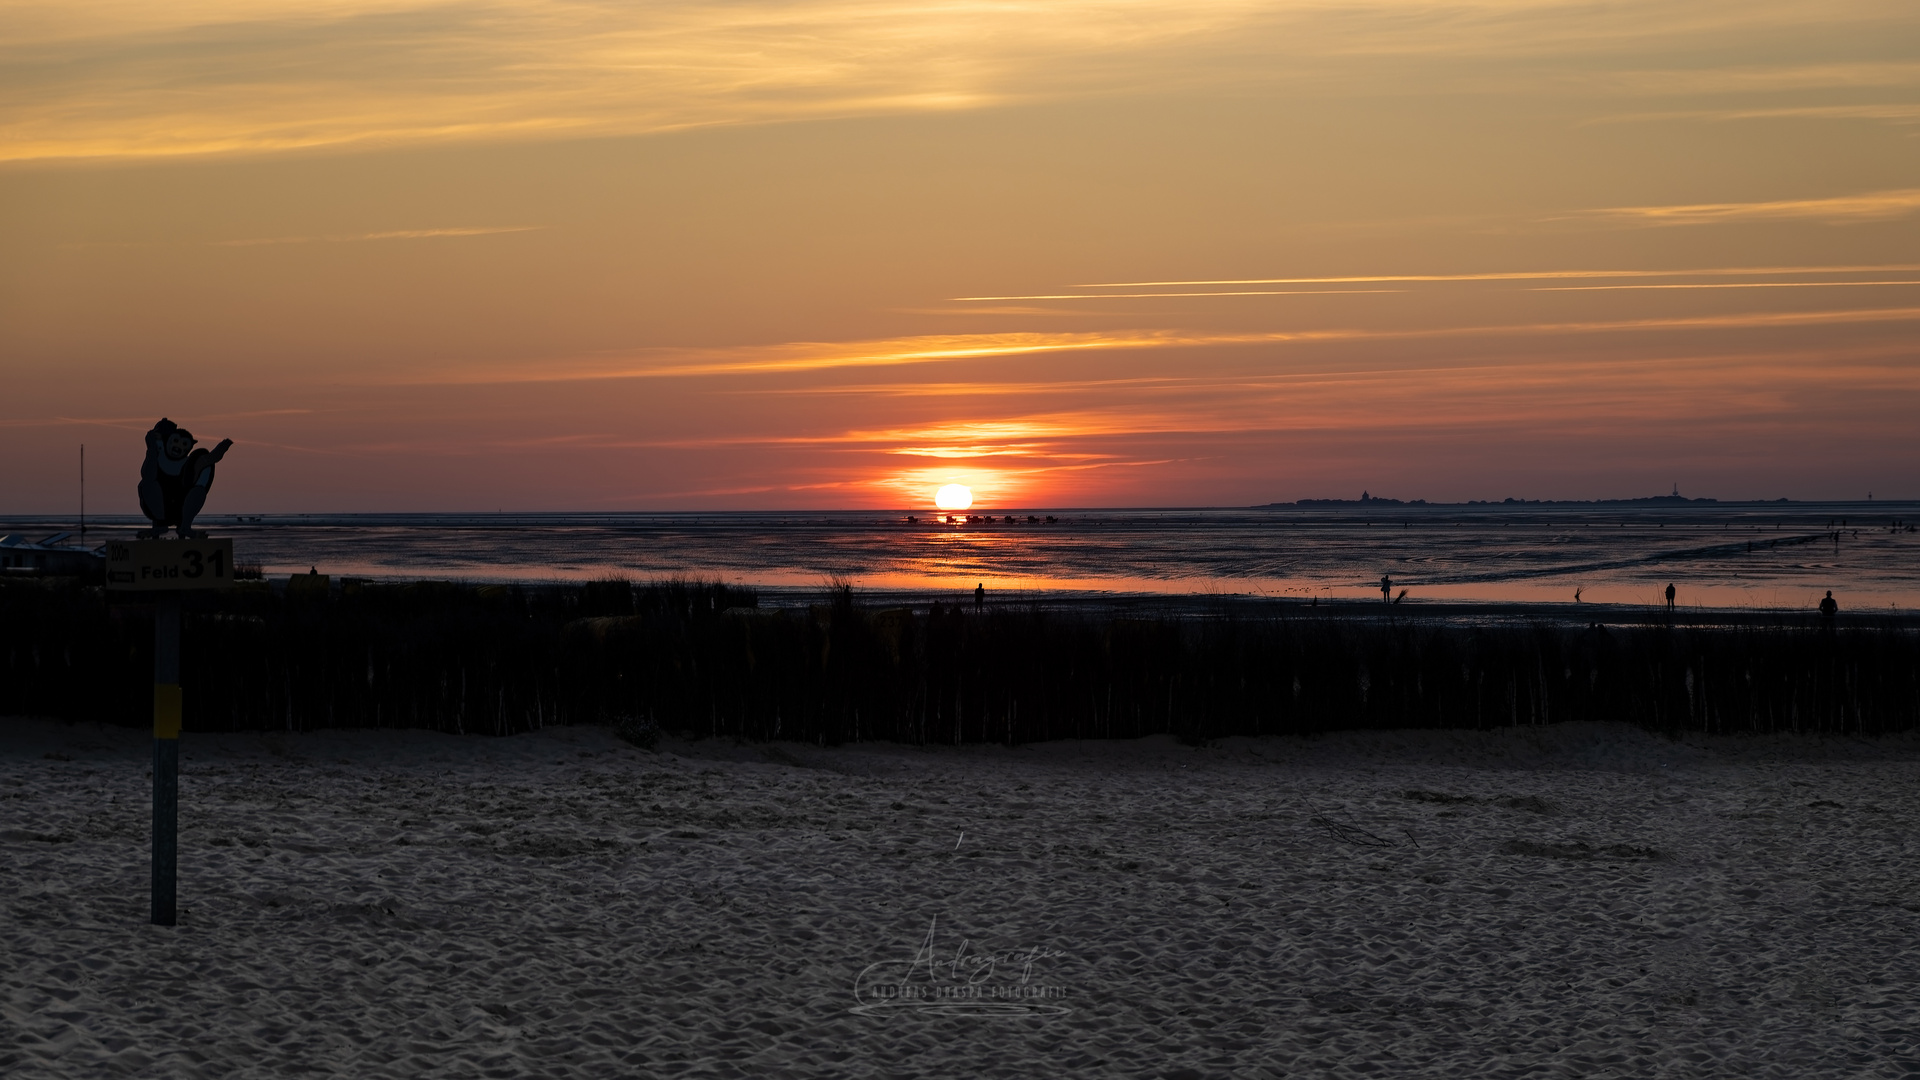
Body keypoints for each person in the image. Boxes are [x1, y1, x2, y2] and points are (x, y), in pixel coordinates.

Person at [138, 418, 232, 539]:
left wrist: (225, 445)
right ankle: (159, 525)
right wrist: (152, 447)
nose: (178, 446)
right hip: (159, 507)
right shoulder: (157, 457)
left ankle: (184, 527)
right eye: (175, 441)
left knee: (198, 490)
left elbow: (211, 458)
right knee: (147, 485)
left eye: (184, 444)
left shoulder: (190, 465)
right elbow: (147, 476)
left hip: (181, 507)